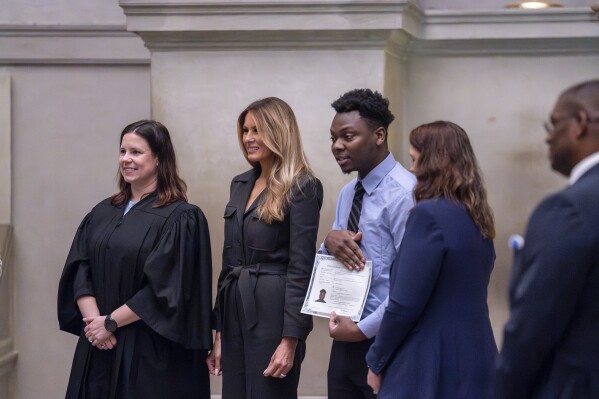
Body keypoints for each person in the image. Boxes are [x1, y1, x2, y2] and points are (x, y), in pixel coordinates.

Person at [57, 120, 213, 399]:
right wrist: (95, 323)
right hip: (98, 344)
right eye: (122, 151)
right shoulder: (102, 212)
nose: (126, 159)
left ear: (159, 158)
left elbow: (168, 288)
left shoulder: (181, 217)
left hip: (147, 348)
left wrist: (111, 323)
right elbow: (80, 267)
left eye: (136, 152)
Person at [365, 120, 497, 398]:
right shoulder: (477, 218)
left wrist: (376, 360)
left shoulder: (428, 216)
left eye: (416, 160)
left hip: (428, 363)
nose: (412, 169)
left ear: (435, 162)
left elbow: (403, 305)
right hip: (478, 357)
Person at [207, 97, 323, 399]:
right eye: (245, 130)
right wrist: (219, 332)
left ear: (278, 131)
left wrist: (291, 339)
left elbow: (302, 268)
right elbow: (228, 261)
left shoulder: (303, 186)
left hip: (274, 311)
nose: (248, 138)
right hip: (235, 307)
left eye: (257, 130)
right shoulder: (240, 184)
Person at [496, 80, 599, 399]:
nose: (547, 137)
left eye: (553, 124)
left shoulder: (569, 208)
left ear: (580, 123)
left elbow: (531, 329)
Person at [323, 88, 415, 399]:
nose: (337, 146)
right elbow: (336, 264)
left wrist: (364, 330)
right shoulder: (349, 194)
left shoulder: (406, 195)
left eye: (348, 136)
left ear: (378, 135)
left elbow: (411, 283)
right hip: (345, 341)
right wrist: (329, 242)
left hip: (387, 340)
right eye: (334, 137)